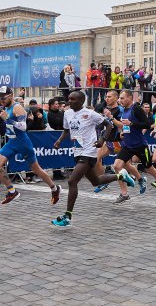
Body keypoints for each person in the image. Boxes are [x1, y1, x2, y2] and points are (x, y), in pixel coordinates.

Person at [51, 91, 135, 227]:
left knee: (72, 181)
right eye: (69, 99)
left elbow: (109, 125)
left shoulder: (90, 114)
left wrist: (102, 139)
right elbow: (67, 130)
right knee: (96, 181)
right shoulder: (67, 113)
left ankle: (67, 216)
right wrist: (59, 140)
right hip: (77, 151)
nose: (69, 101)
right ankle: (120, 176)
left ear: (81, 101)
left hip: (89, 152)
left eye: (73, 99)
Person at [0, 86, 61, 205]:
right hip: (11, 142)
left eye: (4, 97)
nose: (1, 100)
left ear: (11, 95)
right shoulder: (6, 107)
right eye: (0, 97)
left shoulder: (17, 107)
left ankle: (55, 189)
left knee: (36, 169)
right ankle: (12, 191)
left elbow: (23, 127)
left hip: (22, 142)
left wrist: (8, 119)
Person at [107, 89, 156, 203]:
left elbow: (147, 124)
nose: (120, 100)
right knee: (117, 166)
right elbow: (125, 125)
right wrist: (122, 131)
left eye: (122, 98)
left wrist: (132, 124)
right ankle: (124, 194)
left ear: (130, 98)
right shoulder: (124, 110)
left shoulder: (136, 109)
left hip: (140, 145)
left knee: (150, 169)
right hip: (128, 145)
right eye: (120, 98)